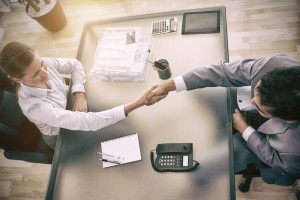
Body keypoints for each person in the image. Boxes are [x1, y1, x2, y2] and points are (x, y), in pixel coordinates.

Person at [146, 54, 300, 185]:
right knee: (202, 94)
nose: (252, 101)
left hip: (261, 143)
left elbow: (276, 162)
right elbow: (222, 72)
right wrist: (169, 85)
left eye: (259, 106)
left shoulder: (294, 148)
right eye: (256, 90)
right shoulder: (274, 65)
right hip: (241, 102)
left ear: (289, 120)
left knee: (203, 165)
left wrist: (244, 130)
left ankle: (198, 177)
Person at [0, 42, 163, 149]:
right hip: (62, 135)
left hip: (73, 106)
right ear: (18, 79)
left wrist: (79, 95)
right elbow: (86, 122)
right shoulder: (33, 107)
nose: (45, 73)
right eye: (36, 74)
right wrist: (140, 102)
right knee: (101, 150)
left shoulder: (43, 64)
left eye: (42, 64)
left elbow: (75, 65)